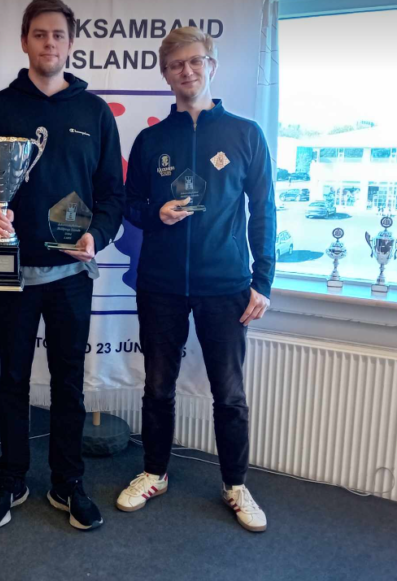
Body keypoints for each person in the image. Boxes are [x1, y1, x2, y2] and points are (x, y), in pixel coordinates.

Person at [0, 0, 124, 531]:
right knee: (11, 380)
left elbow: (113, 193)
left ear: (71, 43)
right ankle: (12, 479)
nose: (49, 43)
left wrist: (98, 235)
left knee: (68, 383)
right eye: (39, 34)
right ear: (24, 41)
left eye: (58, 34)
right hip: (10, 269)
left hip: (71, 276)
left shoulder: (94, 112)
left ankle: (67, 482)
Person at [119, 27, 276, 532]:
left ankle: (235, 485)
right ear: (165, 74)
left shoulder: (245, 134)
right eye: (175, 65)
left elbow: (263, 211)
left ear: (211, 65)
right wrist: (155, 214)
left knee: (229, 394)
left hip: (225, 285)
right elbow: (129, 206)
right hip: (160, 284)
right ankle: (154, 473)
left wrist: (263, 281)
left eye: (195, 61)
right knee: (157, 387)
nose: (186, 71)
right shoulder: (150, 140)